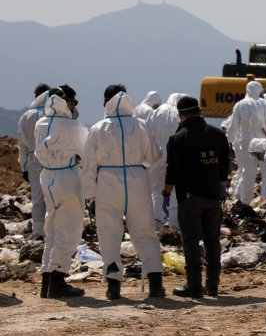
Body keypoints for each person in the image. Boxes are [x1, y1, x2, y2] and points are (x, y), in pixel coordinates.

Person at [85, 86, 164, 300]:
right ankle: (156, 284)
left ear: (105, 102)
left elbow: (89, 165)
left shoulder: (97, 128)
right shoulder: (141, 125)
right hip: (137, 179)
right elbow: (154, 156)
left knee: (109, 234)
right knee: (145, 232)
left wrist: (89, 194)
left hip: (108, 183)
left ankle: (113, 285)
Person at [164, 95, 232, 297]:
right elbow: (225, 163)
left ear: (180, 115)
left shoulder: (178, 138)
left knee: (191, 241)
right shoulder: (217, 134)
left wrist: (166, 194)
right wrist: (222, 186)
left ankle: (194, 286)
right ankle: (213, 286)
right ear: (200, 111)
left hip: (189, 197)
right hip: (213, 195)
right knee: (212, 241)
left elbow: (172, 170)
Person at [34, 88, 90, 298]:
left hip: (47, 177)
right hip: (67, 178)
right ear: (63, 101)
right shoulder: (71, 125)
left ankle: (47, 279)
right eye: (73, 101)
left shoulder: (41, 123)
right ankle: (58, 279)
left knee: (52, 229)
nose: (75, 106)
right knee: (69, 229)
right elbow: (87, 153)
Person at [225, 81, 266, 207]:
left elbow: (233, 126)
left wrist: (230, 141)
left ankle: (246, 201)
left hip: (245, 141)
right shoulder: (264, 103)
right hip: (262, 141)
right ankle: (265, 199)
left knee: (247, 171)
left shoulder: (239, 105)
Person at [17, 84, 54, 241]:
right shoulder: (51, 114)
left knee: (37, 196)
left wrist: (24, 167)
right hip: (52, 159)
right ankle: (53, 230)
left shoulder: (26, 116)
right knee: (52, 195)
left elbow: (22, 145)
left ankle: (38, 231)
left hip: (33, 160)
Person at [147, 93, 183, 229]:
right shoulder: (179, 113)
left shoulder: (156, 112)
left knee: (155, 190)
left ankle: (156, 221)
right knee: (175, 190)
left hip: (157, 156)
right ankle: (174, 223)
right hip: (175, 157)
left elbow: (148, 133)